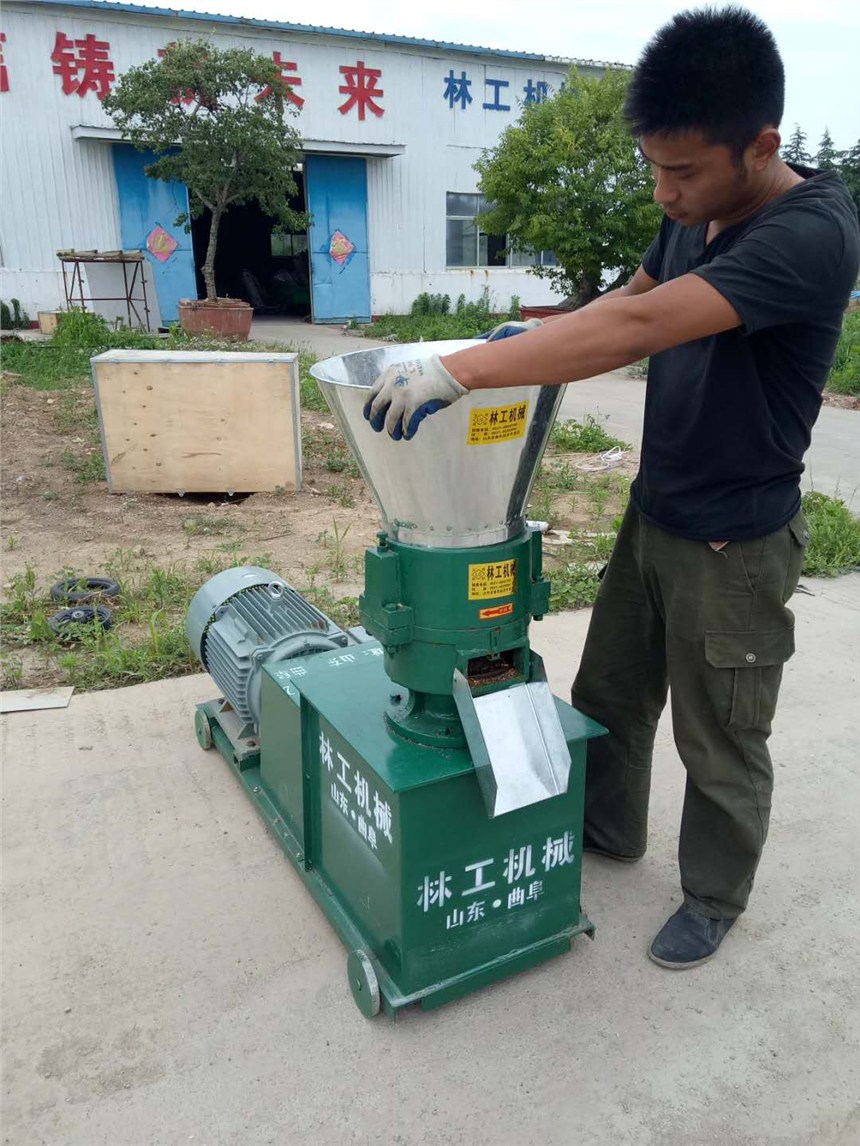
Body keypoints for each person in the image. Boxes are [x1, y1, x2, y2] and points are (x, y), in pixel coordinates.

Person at [363, 5, 860, 968]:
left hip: (736, 540)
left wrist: (461, 371)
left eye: (683, 172)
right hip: (657, 506)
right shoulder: (698, 214)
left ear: (761, 145)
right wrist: (528, 340)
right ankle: (607, 835)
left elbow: (642, 334)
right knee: (611, 694)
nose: (665, 193)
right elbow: (627, 300)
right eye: (653, 169)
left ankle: (714, 895)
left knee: (720, 737)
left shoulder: (808, 237)